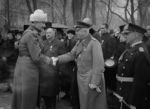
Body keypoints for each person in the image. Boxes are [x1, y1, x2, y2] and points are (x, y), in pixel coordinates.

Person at [52, 18, 107, 109]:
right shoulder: (80, 42)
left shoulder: (94, 43)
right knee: (83, 103)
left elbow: (99, 65)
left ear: (85, 31)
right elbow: (71, 55)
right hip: (82, 78)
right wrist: (57, 59)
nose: (76, 33)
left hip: (91, 79)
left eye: (78, 31)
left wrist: (95, 82)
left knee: (92, 104)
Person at [11, 9, 52, 109]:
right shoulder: (31, 34)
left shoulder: (30, 32)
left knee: (22, 96)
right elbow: (37, 57)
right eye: (42, 23)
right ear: (36, 22)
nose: (44, 25)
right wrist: (50, 60)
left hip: (23, 66)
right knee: (28, 96)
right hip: (28, 69)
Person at [116, 23, 150, 109]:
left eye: (127, 33)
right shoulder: (131, 49)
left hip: (131, 96)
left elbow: (140, 81)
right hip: (124, 93)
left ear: (136, 35)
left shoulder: (140, 51)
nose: (124, 35)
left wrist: (134, 102)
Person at [39, 27, 65, 109]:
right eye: (46, 33)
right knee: (44, 91)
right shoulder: (43, 43)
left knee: (52, 92)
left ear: (54, 34)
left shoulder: (59, 44)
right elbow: (40, 55)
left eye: (49, 33)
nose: (48, 34)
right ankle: (45, 105)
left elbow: (62, 58)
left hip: (54, 72)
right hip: (44, 71)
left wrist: (60, 70)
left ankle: (52, 106)